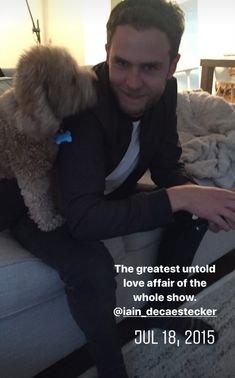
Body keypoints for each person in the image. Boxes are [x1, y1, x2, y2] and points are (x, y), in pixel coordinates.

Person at [6, 0, 235, 377]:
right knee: (92, 267)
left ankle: (161, 311)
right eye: (121, 63)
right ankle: (111, 365)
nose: (132, 81)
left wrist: (199, 198)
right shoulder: (83, 102)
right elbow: (81, 220)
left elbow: (166, 168)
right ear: (107, 52)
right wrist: (181, 196)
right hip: (43, 205)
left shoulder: (167, 95)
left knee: (191, 213)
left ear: (173, 65)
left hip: (103, 195)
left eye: (149, 68)